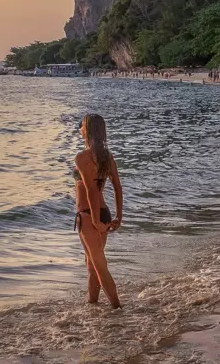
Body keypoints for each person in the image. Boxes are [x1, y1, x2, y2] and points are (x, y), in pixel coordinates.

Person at [74, 113, 123, 308]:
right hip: (102, 213)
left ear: (89, 130)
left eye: (82, 126)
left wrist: (94, 220)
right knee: (92, 266)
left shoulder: (82, 157)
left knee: (99, 266)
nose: (80, 128)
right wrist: (119, 216)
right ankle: (92, 305)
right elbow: (118, 187)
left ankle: (118, 309)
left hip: (89, 216)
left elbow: (91, 189)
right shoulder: (107, 157)